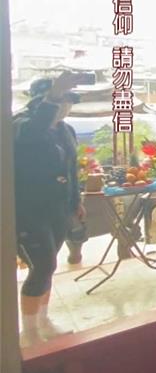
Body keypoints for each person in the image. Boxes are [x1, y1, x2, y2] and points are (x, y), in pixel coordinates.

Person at [14, 74, 85, 346]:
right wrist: (53, 97)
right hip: (29, 208)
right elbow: (33, 132)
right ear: (42, 101)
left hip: (57, 208)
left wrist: (75, 201)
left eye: (68, 101)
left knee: (49, 266)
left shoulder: (65, 130)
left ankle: (43, 319)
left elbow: (71, 168)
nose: (66, 106)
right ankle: (29, 330)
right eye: (62, 100)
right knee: (41, 264)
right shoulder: (20, 124)